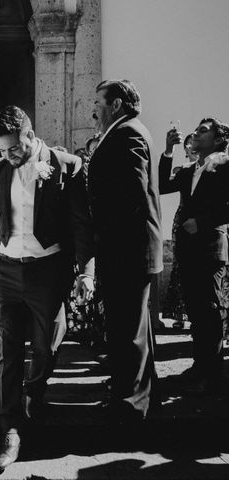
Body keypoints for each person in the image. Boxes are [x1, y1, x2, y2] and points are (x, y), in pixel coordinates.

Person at [0, 106, 94, 470]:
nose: (8, 156)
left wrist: (87, 273)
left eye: (14, 149)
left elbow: (81, 224)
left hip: (48, 271)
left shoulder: (67, 166)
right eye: (2, 150)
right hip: (5, 271)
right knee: (8, 353)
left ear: (29, 134)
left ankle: (34, 393)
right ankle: (10, 430)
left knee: (48, 342)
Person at [88, 79, 162, 424]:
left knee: (127, 330)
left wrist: (101, 228)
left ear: (116, 104)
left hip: (126, 249)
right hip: (131, 248)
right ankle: (143, 395)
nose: (94, 109)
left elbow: (131, 193)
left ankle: (130, 408)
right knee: (136, 327)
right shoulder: (129, 130)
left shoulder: (127, 133)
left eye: (99, 101)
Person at [159, 118, 229, 395]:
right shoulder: (190, 169)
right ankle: (199, 367)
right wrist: (167, 150)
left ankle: (213, 375)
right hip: (188, 251)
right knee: (197, 313)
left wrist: (202, 222)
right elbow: (163, 184)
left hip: (211, 248)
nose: (196, 134)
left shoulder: (224, 165)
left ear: (218, 139)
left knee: (211, 312)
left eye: (203, 131)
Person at [162, 132, 197, 329]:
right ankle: (181, 314)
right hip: (183, 223)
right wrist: (168, 151)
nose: (192, 146)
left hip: (208, 227)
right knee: (182, 267)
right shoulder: (183, 170)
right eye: (188, 144)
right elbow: (163, 184)